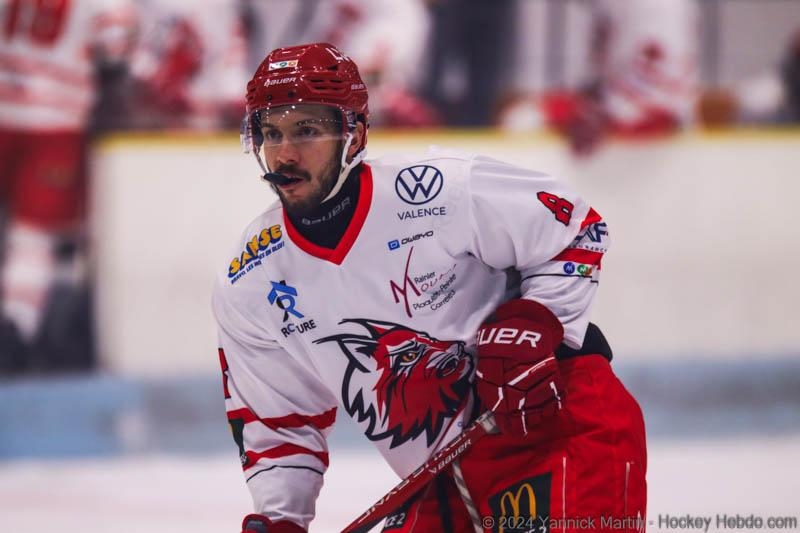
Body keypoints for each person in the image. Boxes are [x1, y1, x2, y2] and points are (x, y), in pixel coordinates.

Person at [213, 42, 646, 533]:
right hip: (441, 476)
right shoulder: (252, 276)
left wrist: (538, 320)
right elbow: (279, 422)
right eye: (270, 133)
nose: (283, 154)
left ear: (353, 137)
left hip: (559, 429)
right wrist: (282, 519)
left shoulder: (436, 192)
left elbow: (576, 229)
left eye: (306, 130)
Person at [0, 0, 137, 372]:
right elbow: (117, 48)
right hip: (56, 120)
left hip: (5, 109)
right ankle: (14, 328)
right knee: (34, 236)